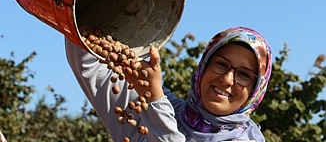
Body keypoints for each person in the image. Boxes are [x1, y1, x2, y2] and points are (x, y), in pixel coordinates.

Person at [65, 26, 272, 142]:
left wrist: (155, 99)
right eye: (220, 64)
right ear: (203, 67)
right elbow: (91, 62)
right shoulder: (157, 111)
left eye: (243, 75)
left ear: (256, 90)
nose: (227, 79)